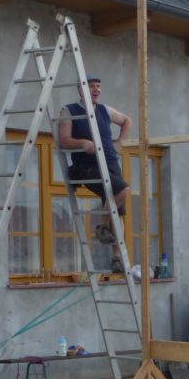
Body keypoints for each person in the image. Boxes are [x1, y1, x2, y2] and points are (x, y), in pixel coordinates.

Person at [58, 75, 131, 274]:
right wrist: (82, 143)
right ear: (80, 90)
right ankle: (102, 226)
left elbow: (127, 121)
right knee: (122, 191)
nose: (96, 89)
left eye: (98, 86)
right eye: (91, 86)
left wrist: (120, 142)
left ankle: (116, 257)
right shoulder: (69, 111)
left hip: (110, 163)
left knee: (118, 210)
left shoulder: (105, 110)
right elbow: (64, 140)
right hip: (87, 165)